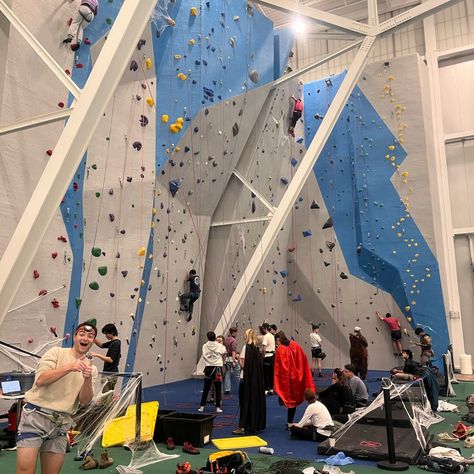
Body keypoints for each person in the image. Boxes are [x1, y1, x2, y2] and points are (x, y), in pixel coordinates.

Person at [16, 322, 98, 474]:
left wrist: (87, 379)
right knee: (25, 471)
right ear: (75, 337)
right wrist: (70, 367)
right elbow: (41, 380)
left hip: (60, 424)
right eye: (82, 334)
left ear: (93, 341)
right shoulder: (56, 353)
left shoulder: (92, 369)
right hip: (35, 418)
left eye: (90, 336)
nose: (85, 337)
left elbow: (85, 401)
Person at [274, 331, 315, 427]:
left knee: (289, 399)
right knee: (293, 400)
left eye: (277, 341)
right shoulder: (295, 345)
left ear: (279, 339)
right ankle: (290, 422)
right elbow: (303, 358)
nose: (277, 343)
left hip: (287, 379)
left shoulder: (281, 349)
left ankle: (290, 421)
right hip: (297, 377)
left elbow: (279, 367)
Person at [232, 329, 266, 435]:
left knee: (244, 403)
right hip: (255, 382)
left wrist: (237, 357)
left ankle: (242, 426)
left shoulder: (245, 348)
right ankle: (253, 424)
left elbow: (243, 365)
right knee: (253, 402)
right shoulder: (257, 349)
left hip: (245, 380)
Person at [198, 331, 226, 413]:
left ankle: (202, 407)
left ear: (208, 338)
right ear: (215, 337)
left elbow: (204, 355)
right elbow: (224, 352)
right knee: (218, 388)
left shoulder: (205, 346)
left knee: (206, 387)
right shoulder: (220, 345)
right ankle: (218, 407)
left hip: (208, 368)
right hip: (218, 368)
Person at [91, 323, 121, 392]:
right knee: (106, 395)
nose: (105, 336)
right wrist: (93, 337)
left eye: (106, 334)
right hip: (109, 373)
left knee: (106, 397)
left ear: (112, 332)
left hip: (110, 374)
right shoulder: (113, 342)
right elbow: (101, 345)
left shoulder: (116, 343)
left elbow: (111, 360)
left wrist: (97, 355)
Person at [224, 327, 240, 394]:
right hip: (231, 358)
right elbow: (233, 351)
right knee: (237, 375)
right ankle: (241, 387)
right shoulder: (233, 341)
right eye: (236, 332)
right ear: (233, 332)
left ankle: (227, 389)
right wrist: (234, 360)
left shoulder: (226, 339)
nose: (236, 334)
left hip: (226, 359)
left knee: (227, 374)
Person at [261, 323, 275, 395]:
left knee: (265, 374)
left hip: (266, 356)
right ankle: (271, 389)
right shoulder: (272, 336)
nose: (262, 330)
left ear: (265, 328)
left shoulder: (266, 336)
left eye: (263, 329)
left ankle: (266, 390)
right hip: (272, 356)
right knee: (271, 373)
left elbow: (263, 349)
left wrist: (262, 356)